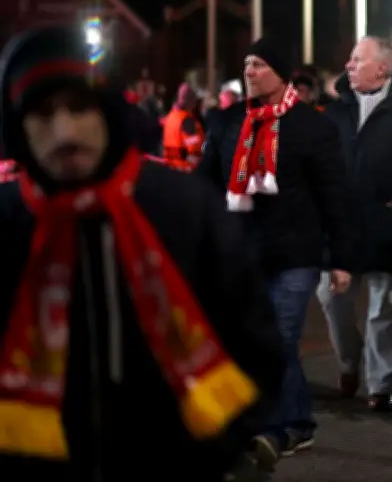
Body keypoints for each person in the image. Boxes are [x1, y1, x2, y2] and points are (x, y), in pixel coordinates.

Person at [0, 25, 284, 480]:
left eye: (79, 107)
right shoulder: (8, 222)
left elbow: (253, 343)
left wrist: (210, 455)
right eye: (42, 113)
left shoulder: (183, 209)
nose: (64, 131)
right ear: (17, 128)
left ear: (108, 111)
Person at [197, 37, 352, 462]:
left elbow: (333, 195)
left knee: (279, 340)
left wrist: (340, 259)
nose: (249, 71)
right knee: (252, 342)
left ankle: (275, 429)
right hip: (240, 254)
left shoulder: (312, 127)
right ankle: (297, 422)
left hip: (294, 254)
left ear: (280, 74)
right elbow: (204, 185)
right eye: (246, 63)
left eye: (259, 64)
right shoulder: (226, 122)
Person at [320, 36, 392, 411]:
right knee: (331, 298)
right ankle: (349, 362)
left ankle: (381, 384)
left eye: (357, 59)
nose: (349, 65)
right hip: (342, 227)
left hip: (387, 226)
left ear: (382, 68)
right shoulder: (337, 109)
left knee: (383, 309)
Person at [162, 82, 204, 169]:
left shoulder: (171, 117)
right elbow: (193, 155)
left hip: (170, 170)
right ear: (191, 102)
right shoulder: (187, 121)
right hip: (185, 172)